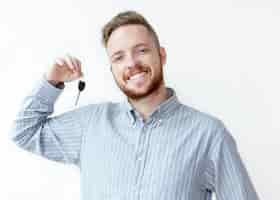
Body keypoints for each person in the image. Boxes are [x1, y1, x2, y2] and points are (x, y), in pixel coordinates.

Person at [9, 10, 260, 200]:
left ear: (161, 55)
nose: (131, 63)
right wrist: (51, 82)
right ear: (113, 69)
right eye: (119, 57)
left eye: (141, 51)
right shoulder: (90, 124)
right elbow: (24, 132)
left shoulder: (208, 134)